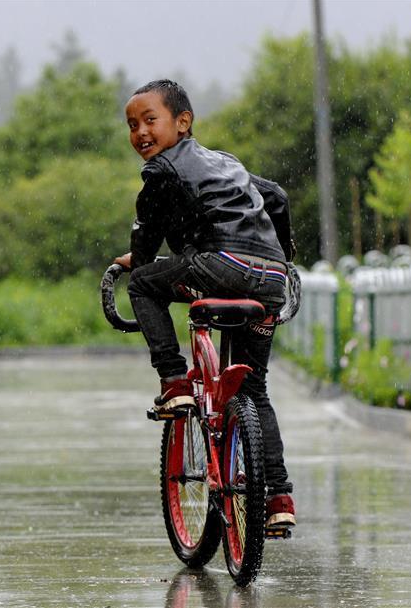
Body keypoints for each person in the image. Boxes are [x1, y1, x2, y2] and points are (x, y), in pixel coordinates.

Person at [113, 79, 296, 530]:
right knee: (254, 389)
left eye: (149, 120)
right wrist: (283, 256)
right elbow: (276, 196)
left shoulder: (160, 171)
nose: (140, 133)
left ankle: (174, 381)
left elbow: (147, 234)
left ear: (183, 122)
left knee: (142, 285)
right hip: (271, 278)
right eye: (132, 125)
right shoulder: (226, 163)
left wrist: (137, 261)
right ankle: (279, 499)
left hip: (222, 265)